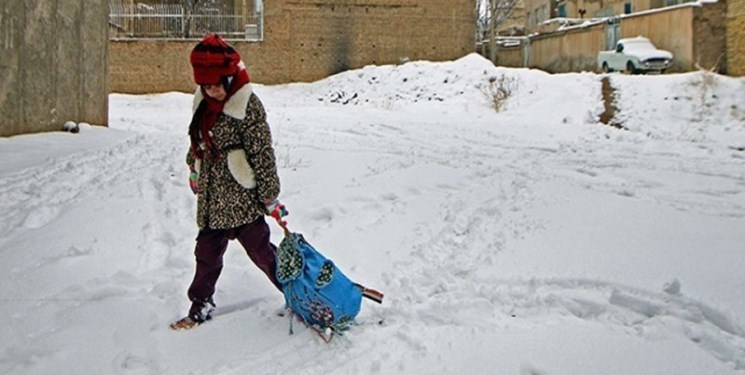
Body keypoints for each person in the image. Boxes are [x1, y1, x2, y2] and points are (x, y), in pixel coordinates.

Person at [171, 34, 288, 331]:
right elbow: (197, 138)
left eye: (215, 85)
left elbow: (262, 153)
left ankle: (296, 294)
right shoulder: (202, 103)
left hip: (243, 201)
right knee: (205, 257)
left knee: (264, 255)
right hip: (212, 201)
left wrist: (269, 195)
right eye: (205, 86)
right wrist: (194, 167)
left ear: (229, 77)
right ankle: (200, 305)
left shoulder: (247, 105)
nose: (211, 91)